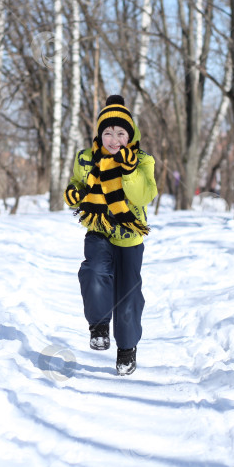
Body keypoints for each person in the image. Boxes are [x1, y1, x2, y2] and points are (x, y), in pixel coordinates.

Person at [63, 95, 158, 375]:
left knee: (128, 298)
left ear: (130, 135)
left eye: (120, 133)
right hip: (98, 229)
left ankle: (127, 349)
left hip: (129, 236)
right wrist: (74, 194)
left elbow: (143, 195)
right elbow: (77, 186)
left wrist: (128, 170)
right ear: (99, 134)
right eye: (107, 132)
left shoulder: (142, 161)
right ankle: (99, 326)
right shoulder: (86, 158)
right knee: (94, 271)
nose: (113, 139)